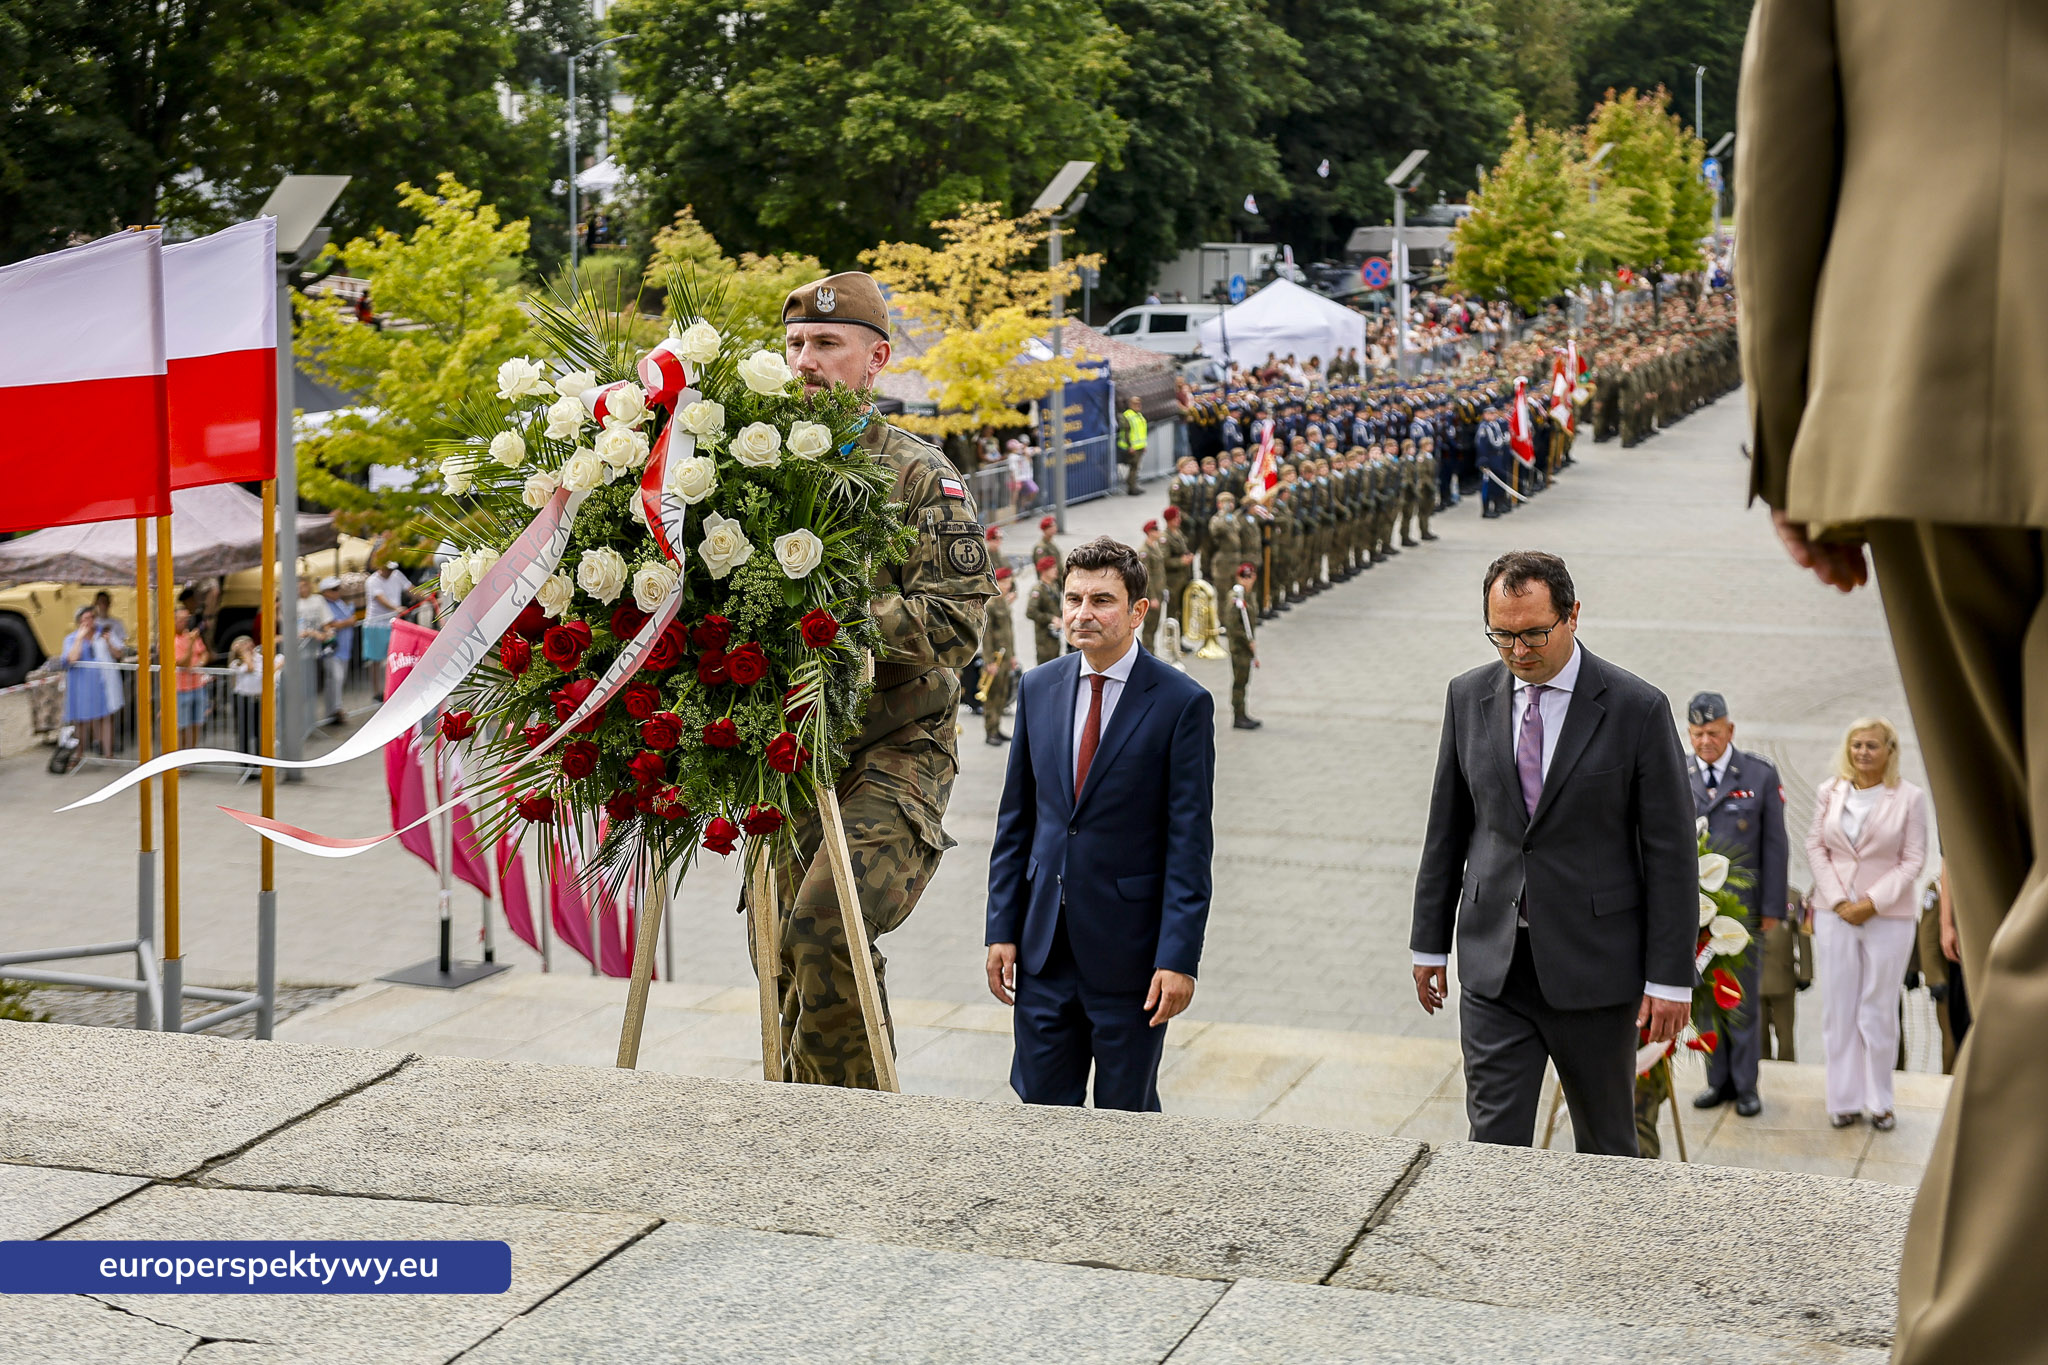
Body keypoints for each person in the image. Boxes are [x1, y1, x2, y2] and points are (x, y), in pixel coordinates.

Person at [770, 270, 997, 1089]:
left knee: (824, 929)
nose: (806, 360)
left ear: (875, 361)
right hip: (791, 756)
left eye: (827, 344)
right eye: (795, 344)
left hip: (896, 750)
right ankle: (817, 1132)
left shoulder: (916, 473)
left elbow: (960, 618)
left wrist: (841, 631)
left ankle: (852, 1148)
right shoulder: (753, 471)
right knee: (791, 964)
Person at [1410, 551, 1695, 1157]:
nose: (1518, 650)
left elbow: (1670, 853)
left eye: (1534, 632)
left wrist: (1670, 977)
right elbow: (1448, 829)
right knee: (1491, 1147)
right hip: (1495, 967)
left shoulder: (1637, 709)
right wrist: (1428, 943)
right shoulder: (1467, 697)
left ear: (1573, 616)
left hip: (1596, 973)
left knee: (1607, 1148)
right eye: (1502, 635)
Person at [984, 536, 1215, 1111]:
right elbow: (1016, 821)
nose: (1083, 614)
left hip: (1130, 963)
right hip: (1042, 954)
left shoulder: (1181, 703)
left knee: (1124, 1120)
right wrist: (1000, 928)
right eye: (1074, 599)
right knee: (1038, 1111)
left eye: (1102, 601)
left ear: (1139, 611)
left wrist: (1178, 958)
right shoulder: (1039, 687)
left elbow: (1189, 844)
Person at [1803, 717, 1929, 1133]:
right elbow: (1815, 845)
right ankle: (1843, 1099)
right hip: (1834, 912)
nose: (1862, 753)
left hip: (1887, 916)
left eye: (1872, 746)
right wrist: (1840, 899)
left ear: (1890, 750)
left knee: (1877, 1009)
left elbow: (1913, 859)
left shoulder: (1909, 798)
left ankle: (1880, 1100)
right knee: (1839, 1009)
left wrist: (1872, 902)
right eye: (1856, 745)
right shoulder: (1829, 791)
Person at [1684, 692, 1788, 1119]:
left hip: (1741, 913)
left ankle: (1746, 1086)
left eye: (1712, 732)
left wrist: (1772, 907)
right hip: (1693, 913)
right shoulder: (1677, 771)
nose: (1705, 740)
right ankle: (1717, 1081)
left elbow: (1774, 846)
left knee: (1741, 999)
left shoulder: (1759, 775)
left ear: (1729, 730)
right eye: (1696, 733)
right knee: (1704, 998)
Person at [1759, 887, 1813, 1062]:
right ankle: (1761, 1073)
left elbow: (1804, 936)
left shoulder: (1795, 897)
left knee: (1785, 1035)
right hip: (1755, 979)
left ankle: (1787, 1072)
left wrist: (1806, 973)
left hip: (1783, 977)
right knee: (1759, 1036)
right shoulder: (1749, 892)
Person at [59, 605, 121, 759]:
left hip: (102, 685)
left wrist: (108, 643)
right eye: (86, 618)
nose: (90, 621)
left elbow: (119, 654)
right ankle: (78, 754)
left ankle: (108, 754)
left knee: (106, 718)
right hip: (81, 686)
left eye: (92, 617)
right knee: (80, 721)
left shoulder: (103, 633)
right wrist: (80, 638)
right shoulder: (72, 639)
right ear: (79, 621)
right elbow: (71, 658)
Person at [981, 567, 1017, 747]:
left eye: (1009, 583)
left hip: (1004, 657)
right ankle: (990, 731)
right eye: (1004, 582)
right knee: (992, 696)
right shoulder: (992, 604)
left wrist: (1012, 656)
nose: (1007, 586)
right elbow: (986, 636)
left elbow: (1009, 633)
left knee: (1002, 695)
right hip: (994, 659)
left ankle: (997, 728)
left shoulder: (1003, 603)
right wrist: (988, 661)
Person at [363, 560, 409, 701]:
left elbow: (410, 588)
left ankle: (393, 688)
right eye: (387, 569)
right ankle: (377, 691)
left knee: (395, 656)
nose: (390, 572)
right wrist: (396, 608)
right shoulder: (372, 581)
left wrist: (428, 597)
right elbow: (380, 598)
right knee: (376, 660)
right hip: (375, 624)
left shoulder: (396, 575)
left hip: (393, 623)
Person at [1224, 560, 1261, 730]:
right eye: (1245, 577)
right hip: (1239, 647)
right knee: (1240, 681)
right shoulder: (1235, 598)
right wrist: (1248, 642)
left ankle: (1243, 713)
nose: (1248, 580)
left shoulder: (1249, 595)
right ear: (1239, 577)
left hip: (1246, 646)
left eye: (1251, 576)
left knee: (1245, 680)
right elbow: (1233, 626)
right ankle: (1238, 715)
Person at [315, 577, 354, 727]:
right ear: (325, 592)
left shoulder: (339, 602)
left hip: (343, 648)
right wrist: (348, 622)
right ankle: (335, 710)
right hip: (332, 650)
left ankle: (333, 710)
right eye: (334, 589)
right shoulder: (324, 605)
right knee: (335, 678)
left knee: (338, 679)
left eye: (338, 588)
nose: (337, 591)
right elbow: (330, 624)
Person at [172, 607, 211, 749]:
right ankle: (180, 758)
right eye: (182, 619)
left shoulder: (191, 636)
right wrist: (190, 643)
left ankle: (191, 755)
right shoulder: (172, 640)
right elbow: (183, 662)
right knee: (182, 725)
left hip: (197, 686)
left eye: (186, 619)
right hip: (181, 689)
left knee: (196, 723)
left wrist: (200, 663)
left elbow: (204, 653)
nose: (185, 623)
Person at [227, 634, 265, 762]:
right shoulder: (236, 663)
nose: (248, 648)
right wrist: (246, 655)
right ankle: (245, 764)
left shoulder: (260, 658)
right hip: (243, 699)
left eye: (249, 645)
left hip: (258, 698)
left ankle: (260, 762)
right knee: (244, 732)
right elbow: (250, 668)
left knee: (259, 732)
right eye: (244, 646)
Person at [1025, 555, 1063, 665]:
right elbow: (1030, 612)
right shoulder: (1038, 590)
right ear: (1044, 571)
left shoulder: (1054, 586)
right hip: (1044, 639)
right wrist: (1051, 618)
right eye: (1053, 568)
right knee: (1045, 667)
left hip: (1054, 635)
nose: (1056, 571)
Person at [1138, 520, 1166, 655]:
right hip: (1151, 595)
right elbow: (1146, 577)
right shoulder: (1144, 552)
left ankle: (1152, 653)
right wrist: (1152, 597)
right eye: (1156, 530)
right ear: (1150, 532)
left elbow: (1159, 573)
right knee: (1149, 628)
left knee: (1155, 625)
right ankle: (1147, 654)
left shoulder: (1155, 547)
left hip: (1158, 592)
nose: (1159, 533)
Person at [1116, 395, 1148, 496]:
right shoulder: (1127, 415)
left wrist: (1144, 445)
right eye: (1135, 403)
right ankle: (1131, 487)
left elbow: (1141, 431)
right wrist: (1130, 446)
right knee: (1133, 467)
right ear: (1130, 404)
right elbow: (1126, 432)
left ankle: (1133, 485)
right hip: (1132, 447)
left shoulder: (1138, 415)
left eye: (1139, 402)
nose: (1138, 405)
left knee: (1135, 467)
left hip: (1139, 446)